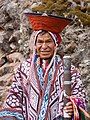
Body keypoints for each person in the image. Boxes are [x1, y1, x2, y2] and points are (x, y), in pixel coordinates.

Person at [0, 13, 89, 120]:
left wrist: (73, 105)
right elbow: (14, 96)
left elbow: (80, 98)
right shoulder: (24, 69)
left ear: (56, 44)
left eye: (48, 41)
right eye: (40, 42)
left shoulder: (70, 71)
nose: (44, 46)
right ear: (35, 45)